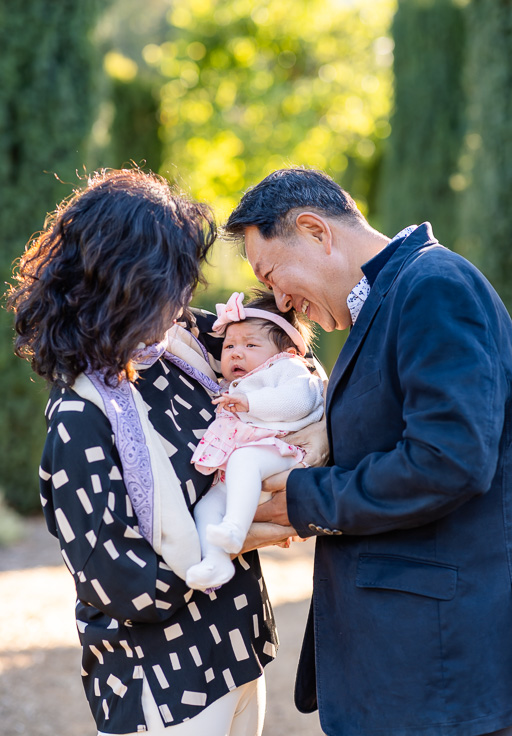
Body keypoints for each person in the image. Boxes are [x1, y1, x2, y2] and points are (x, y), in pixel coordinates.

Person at [6, 168, 302, 736]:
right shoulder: (82, 418)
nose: (185, 298)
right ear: (127, 282)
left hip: (238, 656)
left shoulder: (181, 353)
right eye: (173, 281)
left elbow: (280, 350)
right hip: (164, 687)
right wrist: (244, 526)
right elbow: (125, 585)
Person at [223, 166, 512, 736]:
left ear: (315, 230)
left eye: (273, 274)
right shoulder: (386, 301)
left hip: (437, 673)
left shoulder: (434, 286)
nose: (279, 300)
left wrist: (303, 499)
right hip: (405, 669)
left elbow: (448, 460)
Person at [185, 290, 325, 592]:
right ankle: (215, 560)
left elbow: (299, 400)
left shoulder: (288, 369)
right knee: (206, 507)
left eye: (250, 344)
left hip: (286, 451)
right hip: (244, 473)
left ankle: (235, 527)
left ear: (286, 351)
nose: (236, 352)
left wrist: (250, 402)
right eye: (230, 345)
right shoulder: (235, 385)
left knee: (244, 460)